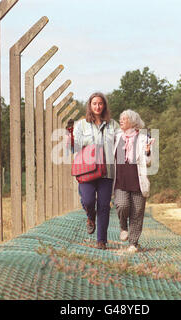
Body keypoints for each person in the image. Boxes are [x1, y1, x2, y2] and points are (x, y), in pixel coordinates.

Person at [73, 92, 120, 250]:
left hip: (107, 171)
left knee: (104, 205)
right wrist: (93, 142)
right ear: (90, 106)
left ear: (104, 105)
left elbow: (121, 142)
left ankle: (102, 241)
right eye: (94, 104)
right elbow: (77, 145)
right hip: (88, 170)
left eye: (100, 103)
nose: (97, 106)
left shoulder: (113, 124)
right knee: (87, 200)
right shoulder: (81, 125)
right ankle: (90, 217)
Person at [113, 110, 153, 253]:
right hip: (120, 181)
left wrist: (148, 151)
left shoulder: (143, 138)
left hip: (137, 181)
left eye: (124, 118)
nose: (121, 120)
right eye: (120, 118)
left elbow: (148, 162)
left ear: (133, 121)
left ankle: (133, 243)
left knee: (137, 212)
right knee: (122, 205)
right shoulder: (117, 137)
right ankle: (123, 226)